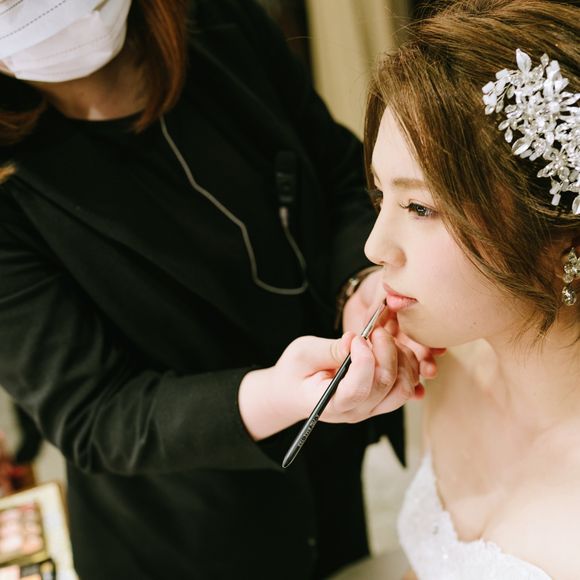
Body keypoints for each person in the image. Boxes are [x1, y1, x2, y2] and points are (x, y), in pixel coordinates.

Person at [0, 1, 437, 579]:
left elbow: (337, 172)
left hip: (327, 471)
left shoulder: (221, 24)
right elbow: (95, 413)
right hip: (182, 534)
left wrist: (356, 285)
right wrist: (278, 396)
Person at [362, 0, 580, 577]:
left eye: (419, 207)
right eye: (380, 195)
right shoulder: (447, 370)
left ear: (560, 234)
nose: (374, 247)